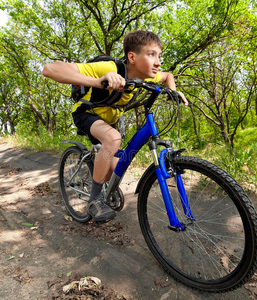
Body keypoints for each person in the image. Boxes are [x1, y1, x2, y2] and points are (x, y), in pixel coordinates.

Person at [42, 30, 188, 224]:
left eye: (159, 56)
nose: (158, 62)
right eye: (152, 54)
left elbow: (168, 75)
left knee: (113, 170)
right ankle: (94, 200)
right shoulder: (110, 67)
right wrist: (98, 81)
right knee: (113, 138)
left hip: (109, 121)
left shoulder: (148, 76)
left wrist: (173, 91)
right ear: (132, 57)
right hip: (86, 114)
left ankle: (104, 187)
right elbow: (50, 69)